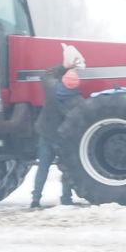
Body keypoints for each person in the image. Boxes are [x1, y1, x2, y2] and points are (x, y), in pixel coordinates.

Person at [30, 45, 87, 209]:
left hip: (45, 133)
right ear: (76, 86)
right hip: (62, 139)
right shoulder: (78, 103)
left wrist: (64, 66)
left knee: (43, 167)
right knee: (66, 168)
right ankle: (66, 198)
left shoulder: (52, 88)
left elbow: (47, 74)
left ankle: (35, 199)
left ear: (62, 81)